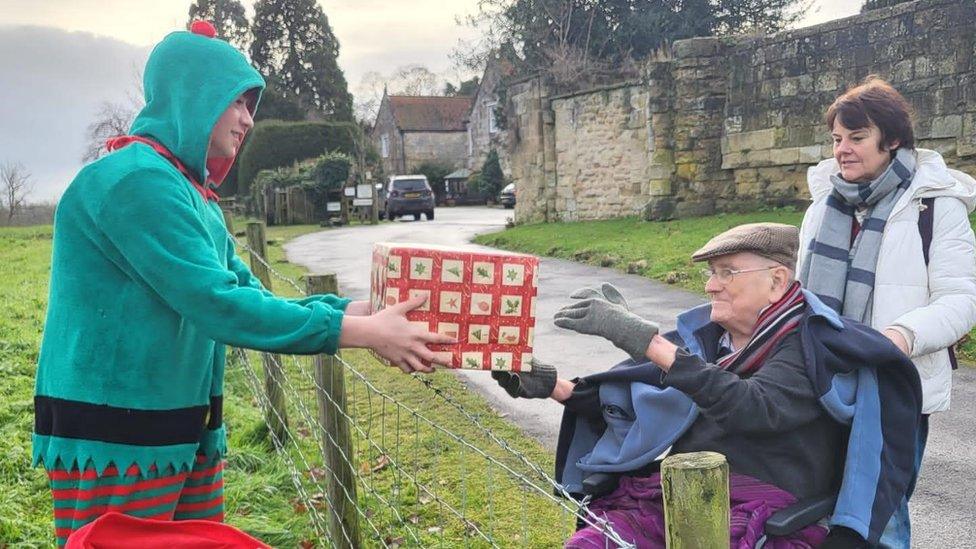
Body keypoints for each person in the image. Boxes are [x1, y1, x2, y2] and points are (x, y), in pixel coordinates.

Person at [33, 22, 452, 547]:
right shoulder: (135, 182)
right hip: (120, 433)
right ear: (195, 98)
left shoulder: (190, 192)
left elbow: (248, 294)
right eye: (237, 102)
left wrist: (358, 313)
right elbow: (217, 305)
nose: (248, 120)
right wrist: (360, 333)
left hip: (181, 421)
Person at [494, 223, 921, 548]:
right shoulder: (708, 339)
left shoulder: (807, 343)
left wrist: (652, 344)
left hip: (766, 513)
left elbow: (754, 408)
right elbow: (647, 402)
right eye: (712, 274)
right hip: (678, 496)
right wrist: (553, 386)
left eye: (727, 272)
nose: (711, 285)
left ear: (776, 280)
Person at [797, 76, 976, 548]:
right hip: (823, 380)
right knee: (817, 507)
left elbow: (961, 299)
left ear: (892, 139)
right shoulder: (823, 204)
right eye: (837, 139)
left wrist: (899, 337)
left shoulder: (934, 207)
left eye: (856, 138)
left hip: (895, 385)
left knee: (882, 517)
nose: (842, 150)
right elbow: (800, 296)